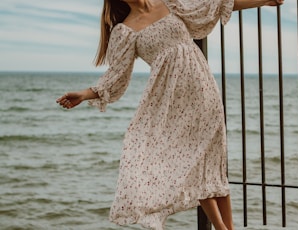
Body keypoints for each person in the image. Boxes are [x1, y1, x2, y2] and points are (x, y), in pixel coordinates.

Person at [56, 0, 284, 229]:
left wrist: (263, 0)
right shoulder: (124, 30)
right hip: (169, 101)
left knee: (213, 163)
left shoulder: (171, 3)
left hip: (203, 91)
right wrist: (85, 94)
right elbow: (116, 75)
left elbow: (218, 3)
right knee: (190, 161)